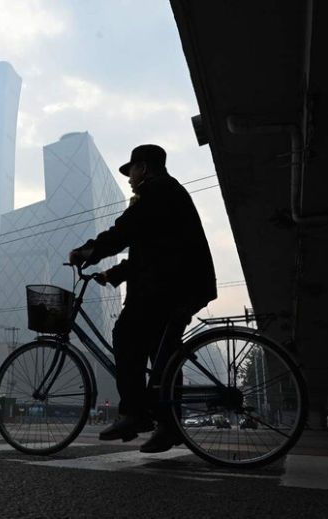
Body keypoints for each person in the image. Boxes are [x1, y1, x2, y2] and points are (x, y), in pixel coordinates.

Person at [69, 144, 216, 453]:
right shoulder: (167, 194)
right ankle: (168, 427)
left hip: (169, 286)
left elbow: (124, 231)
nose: (129, 178)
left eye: (132, 171)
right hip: (181, 283)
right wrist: (113, 275)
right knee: (162, 359)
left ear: (144, 168)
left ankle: (135, 414)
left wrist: (89, 251)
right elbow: (148, 252)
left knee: (125, 335)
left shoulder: (158, 191)